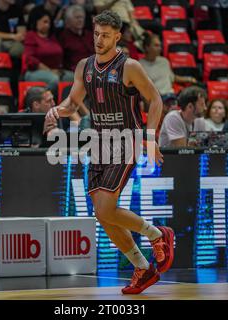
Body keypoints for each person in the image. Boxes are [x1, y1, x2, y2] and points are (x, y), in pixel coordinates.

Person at [45, 11, 174, 295]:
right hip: (99, 143)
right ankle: (143, 268)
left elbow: (155, 100)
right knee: (103, 215)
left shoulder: (129, 66)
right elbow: (72, 102)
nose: (99, 40)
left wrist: (150, 137)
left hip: (126, 140)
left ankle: (157, 234)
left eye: (105, 35)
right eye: (96, 34)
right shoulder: (84, 66)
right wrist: (57, 110)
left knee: (105, 208)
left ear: (117, 36)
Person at [24, 8, 74, 96]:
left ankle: (66, 104)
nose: (48, 25)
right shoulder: (31, 36)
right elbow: (29, 59)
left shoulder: (53, 37)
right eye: (45, 22)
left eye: (49, 23)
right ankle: (46, 101)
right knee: (54, 79)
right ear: (36, 21)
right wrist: (49, 70)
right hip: (34, 72)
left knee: (74, 77)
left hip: (55, 70)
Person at [139, 32, 197, 100]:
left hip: (170, 96)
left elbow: (173, 77)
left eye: (160, 45)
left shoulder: (164, 61)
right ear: (147, 47)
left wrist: (189, 79)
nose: (160, 48)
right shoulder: (139, 65)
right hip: (154, 99)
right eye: (156, 45)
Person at [58, 4, 95, 72]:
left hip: (93, 68)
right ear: (68, 20)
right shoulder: (63, 36)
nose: (80, 20)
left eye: (82, 17)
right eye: (77, 17)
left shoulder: (90, 34)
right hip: (74, 70)